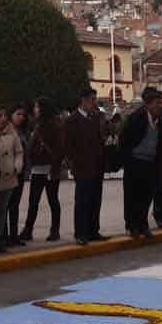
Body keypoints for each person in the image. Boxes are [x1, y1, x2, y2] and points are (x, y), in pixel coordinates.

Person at [117, 86, 162, 240]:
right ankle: (131, 226)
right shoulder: (136, 118)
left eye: (161, 103)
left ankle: (142, 224)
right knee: (132, 196)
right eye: (157, 103)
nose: (160, 106)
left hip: (152, 163)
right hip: (134, 162)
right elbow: (124, 140)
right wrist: (126, 160)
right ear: (148, 104)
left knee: (146, 196)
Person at [19, 98, 64, 242]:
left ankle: (54, 230)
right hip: (38, 168)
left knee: (52, 200)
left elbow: (59, 148)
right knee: (34, 201)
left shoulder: (54, 125)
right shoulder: (38, 124)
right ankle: (28, 229)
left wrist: (54, 167)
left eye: (37, 107)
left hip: (50, 168)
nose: (35, 110)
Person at [67, 88, 107, 245]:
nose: (94, 103)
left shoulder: (96, 117)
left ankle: (93, 230)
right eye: (91, 99)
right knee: (82, 201)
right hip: (82, 167)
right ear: (83, 100)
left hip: (97, 166)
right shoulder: (72, 120)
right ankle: (81, 233)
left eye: (95, 99)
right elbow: (69, 146)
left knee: (95, 200)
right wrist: (74, 165)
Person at [0, 107, 23, 253]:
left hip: (9, 178)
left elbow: (19, 152)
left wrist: (16, 167)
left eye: (4, 115)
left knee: (2, 210)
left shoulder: (12, 133)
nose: (3, 118)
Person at [6, 104, 30, 246]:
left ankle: (13, 235)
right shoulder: (7, 131)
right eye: (18, 114)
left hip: (19, 173)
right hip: (9, 173)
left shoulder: (22, 132)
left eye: (23, 115)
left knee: (14, 205)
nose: (21, 117)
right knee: (6, 205)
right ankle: (3, 236)